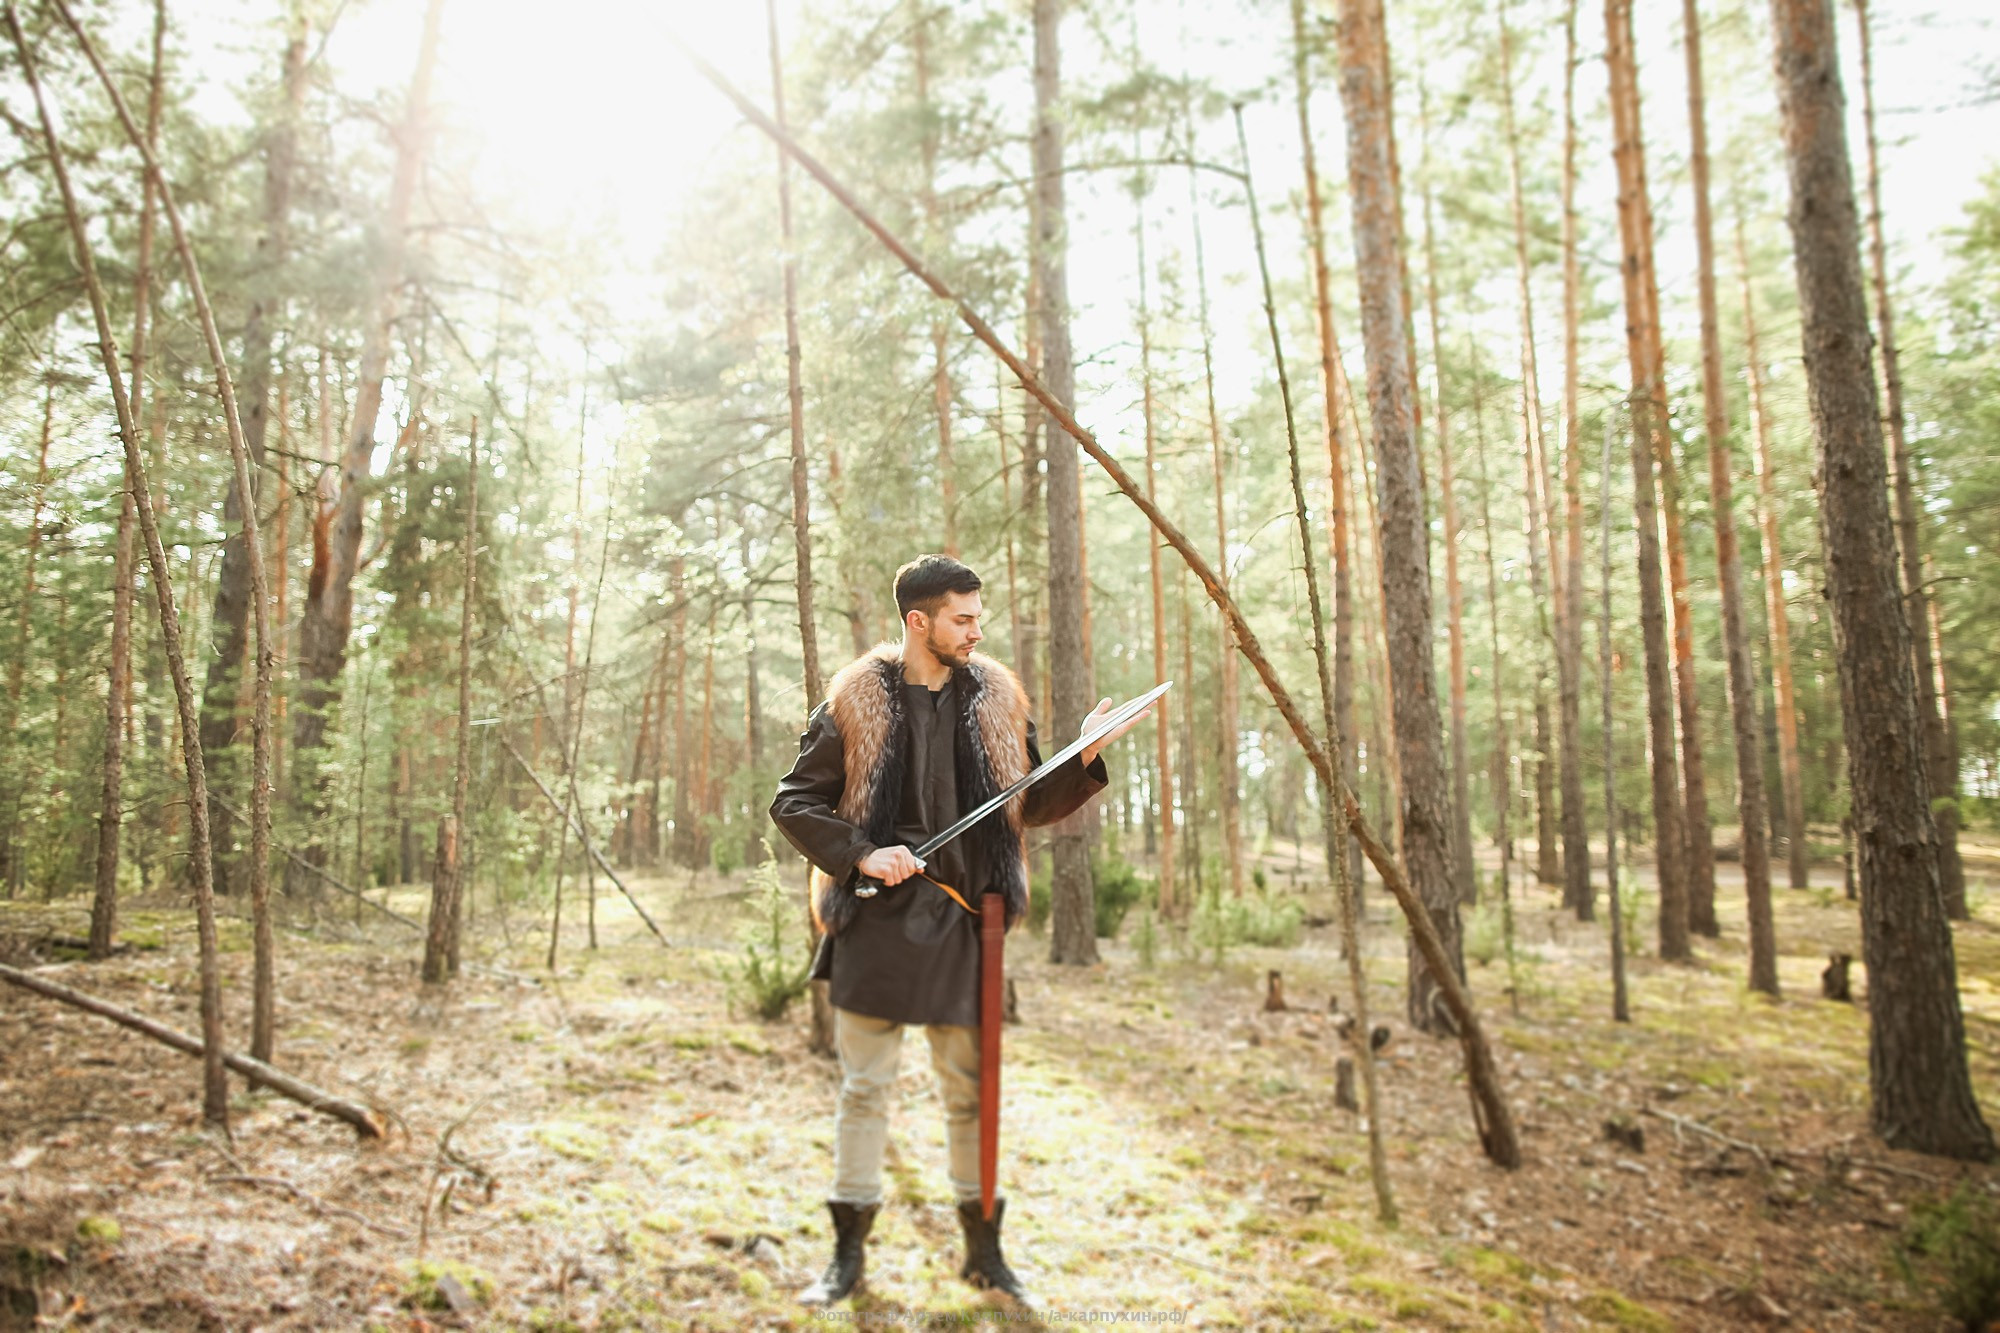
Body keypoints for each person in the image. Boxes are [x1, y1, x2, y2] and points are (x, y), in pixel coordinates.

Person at [769, 554, 1148, 1307]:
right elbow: (792, 803)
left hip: (970, 926)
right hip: (875, 921)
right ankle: (847, 1256)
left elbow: (1029, 802)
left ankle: (984, 1253)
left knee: (972, 1095)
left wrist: (1086, 753)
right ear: (920, 621)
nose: (978, 630)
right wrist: (863, 853)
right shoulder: (854, 701)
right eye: (963, 618)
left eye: (980, 616)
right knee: (864, 1090)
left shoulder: (997, 699)